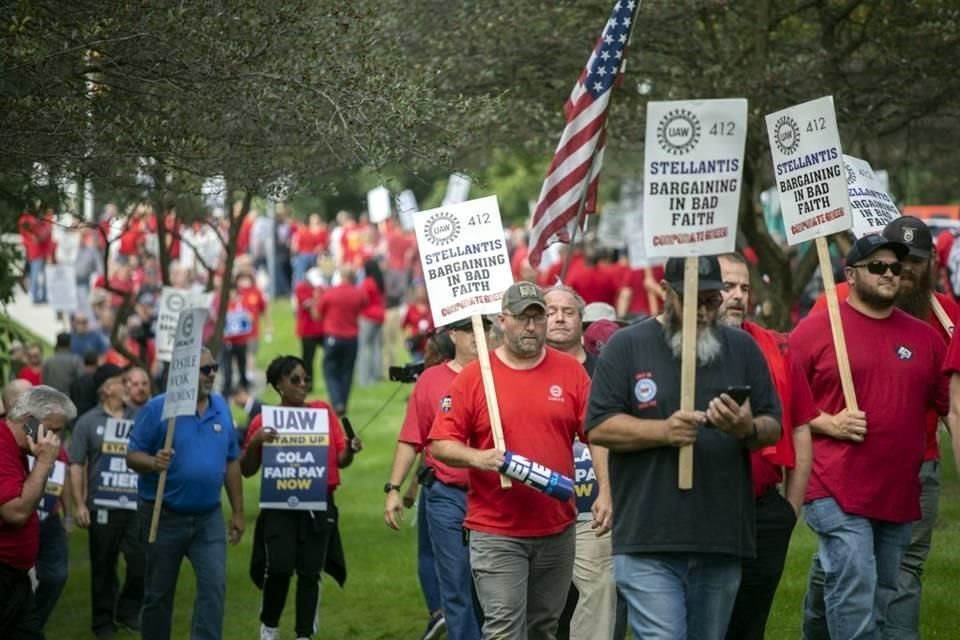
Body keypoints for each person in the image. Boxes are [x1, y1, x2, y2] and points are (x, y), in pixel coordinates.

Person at [585, 255, 782, 640]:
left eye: (713, 300)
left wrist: (745, 427)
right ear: (665, 293)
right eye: (694, 301)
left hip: (721, 536)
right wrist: (664, 432)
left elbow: (772, 425)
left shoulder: (742, 349)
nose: (706, 312)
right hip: (648, 537)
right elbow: (600, 427)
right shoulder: (626, 346)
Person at [791, 234, 949, 639]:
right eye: (877, 266)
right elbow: (782, 403)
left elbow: (951, 407)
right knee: (855, 583)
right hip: (835, 485)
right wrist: (830, 423)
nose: (890, 274)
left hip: (897, 490)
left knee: (879, 597)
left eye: (896, 268)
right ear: (850, 274)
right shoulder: (815, 331)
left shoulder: (924, 337)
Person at [430, 281, 594, 640]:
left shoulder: (570, 372)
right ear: (503, 321)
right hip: (496, 530)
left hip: (557, 526)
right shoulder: (476, 376)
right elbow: (439, 444)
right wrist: (480, 457)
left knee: (544, 629)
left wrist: (608, 492)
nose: (532, 326)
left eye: (539, 317)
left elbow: (597, 436)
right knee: (504, 629)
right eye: (522, 319)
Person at [716, 252, 817, 640]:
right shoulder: (680, 349)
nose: (738, 295)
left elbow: (801, 427)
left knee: (748, 624)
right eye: (728, 286)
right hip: (702, 509)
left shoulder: (778, 349)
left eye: (744, 287)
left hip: (764, 510)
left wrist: (789, 509)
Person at [126, 347, 245, 640]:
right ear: (185, 374)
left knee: (214, 586)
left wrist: (238, 512)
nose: (213, 374)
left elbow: (231, 460)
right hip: (164, 516)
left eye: (214, 367)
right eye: (205, 369)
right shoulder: (157, 409)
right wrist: (154, 462)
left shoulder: (221, 407)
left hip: (208, 518)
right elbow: (132, 456)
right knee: (158, 593)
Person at [241, 355, 361, 640]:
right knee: (280, 569)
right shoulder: (263, 421)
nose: (303, 384)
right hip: (280, 507)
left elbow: (340, 460)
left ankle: (304, 634)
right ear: (278, 385)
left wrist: (351, 450)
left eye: (306, 378)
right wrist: (256, 442)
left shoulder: (323, 413)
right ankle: (269, 626)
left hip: (319, 506)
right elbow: (246, 470)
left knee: (310, 572)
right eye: (295, 379)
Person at [385, 319, 492, 640]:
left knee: (493, 582)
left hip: (496, 495)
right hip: (446, 495)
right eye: (469, 329)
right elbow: (410, 438)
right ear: (453, 334)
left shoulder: (501, 374)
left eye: (483, 329)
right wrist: (393, 488)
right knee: (455, 582)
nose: (478, 336)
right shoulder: (431, 380)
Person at [542, 285, 619, 640]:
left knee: (599, 591)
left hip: (594, 511)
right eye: (550, 311)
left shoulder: (607, 371)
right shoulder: (520, 370)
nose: (559, 317)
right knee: (542, 607)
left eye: (568, 312)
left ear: (582, 320)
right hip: (537, 510)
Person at [68, 364, 144, 638]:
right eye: (122, 381)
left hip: (135, 506)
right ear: (106, 389)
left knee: (140, 562)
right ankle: (103, 622)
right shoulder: (87, 422)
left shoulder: (139, 418)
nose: (128, 386)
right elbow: (76, 464)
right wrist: (78, 504)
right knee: (102, 567)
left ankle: (127, 610)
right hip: (102, 506)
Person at [0, 386, 75, 638]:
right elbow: (16, 513)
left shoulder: (18, 448)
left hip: (15, 578)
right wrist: (44, 463)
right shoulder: (2, 448)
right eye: (52, 430)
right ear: (29, 422)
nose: (55, 440)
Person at [316, 264, 367, 416]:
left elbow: (318, 314)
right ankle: (343, 403)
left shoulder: (330, 293)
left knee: (330, 371)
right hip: (352, 338)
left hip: (333, 337)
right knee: (347, 372)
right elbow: (364, 305)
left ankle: (337, 401)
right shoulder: (358, 293)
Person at [293, 267, 325, 389]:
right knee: (307, 360)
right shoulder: (301, 288)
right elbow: (306, 304)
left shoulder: (321, 287)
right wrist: (317, 299)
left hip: (321, 329)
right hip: (307, 330)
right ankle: (307, 385)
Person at [357, 258, 386, 387]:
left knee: (363, 348)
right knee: (376, 348)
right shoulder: (379, 281)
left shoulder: (367, 282)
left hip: (368, 316)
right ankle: (376, 376)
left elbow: (362, 299)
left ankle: (364, 379)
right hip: (379, 315)